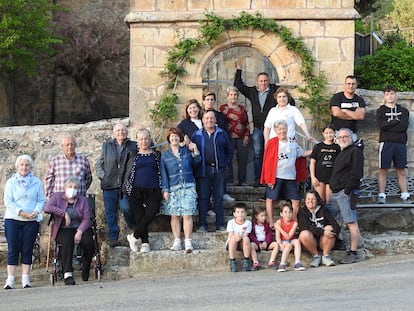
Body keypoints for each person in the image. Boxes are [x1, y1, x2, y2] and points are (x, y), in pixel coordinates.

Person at [234, 62, 295, 186]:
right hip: (257, 129)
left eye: (265, 81)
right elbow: (238, 85)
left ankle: (271, 178)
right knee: (258, 154)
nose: (263, 83)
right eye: (261, 81)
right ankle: (258, 179)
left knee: (272, 154)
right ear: (257, 82)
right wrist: (239, 70)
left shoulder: (274, 90)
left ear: (268, 81)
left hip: (273, 130)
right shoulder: (252, 92)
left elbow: (290, 101)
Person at [3, 155, 46, 289]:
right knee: (13, 249)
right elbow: (8, 201)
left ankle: (25, 279)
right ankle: (10, 280)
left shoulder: (37, 182)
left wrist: (36, 212)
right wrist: (21, 212)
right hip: (13, 219)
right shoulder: (11, 182)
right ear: (17, 167)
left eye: (27, 165)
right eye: (21, 165)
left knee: (27, 249)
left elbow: (41, 200)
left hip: (31, 220)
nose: (24, 167)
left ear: (31, 167)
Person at [44, 176, 95, 285]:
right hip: (63, 228)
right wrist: (64, 214)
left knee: (89, 242)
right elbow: (47, 208)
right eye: (70, 186)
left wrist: (80, 232)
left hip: (80, 227)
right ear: (65, 187)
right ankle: (68, 274)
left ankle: (86, 266)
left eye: (75, 187)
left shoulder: (82, 200)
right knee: (67, 242)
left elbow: (87, 218)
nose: (72, 189)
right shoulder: (57, 197)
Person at [260, 120, 311, 225]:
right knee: (270, 199)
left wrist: (319, 148)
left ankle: (293, 220)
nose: (282, 131)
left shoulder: (293, 143)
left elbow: (302, 153)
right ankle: (270, 221)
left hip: (290, 176)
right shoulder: (272, 142)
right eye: (279, 129)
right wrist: (269, 178)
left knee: (296, 201)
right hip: (276, 176)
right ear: (275, 130)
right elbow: (267, 162)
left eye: (284, 128)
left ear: (287, 129)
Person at [95, 123, 137, 247]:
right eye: (118, 130)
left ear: (127, 132)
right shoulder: (106, 146)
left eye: (123, 130)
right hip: (109, 186)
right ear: (114, 133)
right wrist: (104, 177)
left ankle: (135, 231)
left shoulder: (133, 145)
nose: (121, 132)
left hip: (125, 186)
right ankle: (114, 237)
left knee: (126, 208)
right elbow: (98, 164)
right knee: (110, 212)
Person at [160, 127, 201, 253]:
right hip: (173, 188)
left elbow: (197, 162)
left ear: (180, 138)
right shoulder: (165, 156)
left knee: (187, 214)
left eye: (176, 136)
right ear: (169, 139)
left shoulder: (186, 151)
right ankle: (177, 240)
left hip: (188, 186)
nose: (174, 138)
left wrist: (195, 149)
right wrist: (165, 190)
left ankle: (188, 241)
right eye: (172, 136)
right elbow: (163, 174)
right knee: (175, 216)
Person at [191, 110, 233, 232]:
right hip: (203, 170)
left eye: (211, 118)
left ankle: (220, 224)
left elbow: (229, 150)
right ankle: (202, 224)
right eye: (207, 118)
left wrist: (225, 164)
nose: (209, 120)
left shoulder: (221, 133)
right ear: (203, 120)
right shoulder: (197, 135)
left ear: (215, 120)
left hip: (219, 170)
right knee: (203, 198)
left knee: (218, 197)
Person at [122, 128, 162, 253]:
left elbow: (162, 171)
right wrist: (122, 187)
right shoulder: (132, 154)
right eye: (141, 139)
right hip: (136, 189)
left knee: (151, 213)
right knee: (139, 216)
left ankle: (133, 237)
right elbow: (125, 171)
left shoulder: (157, 155)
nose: (144, 141)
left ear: (150, 140)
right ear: (137, 141)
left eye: (146, 139)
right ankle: (145, 243)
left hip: (153, 189)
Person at [328, 128, 363, 264]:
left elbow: (356, 173)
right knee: (330, 217)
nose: (343, 139)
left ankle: (353, 253)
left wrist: (347, 191)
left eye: (346, 136)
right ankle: (340, 241)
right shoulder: (342, 152)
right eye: (340, 137)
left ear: (351, 138)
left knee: (351, 222)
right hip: (335, 193)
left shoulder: (355, 152)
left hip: (346, 193)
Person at [376, 86, 411, 204]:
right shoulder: (381, 110)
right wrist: (395, 122)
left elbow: (403, 127)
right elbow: (381, 126)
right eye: (387, 94)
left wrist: (389, 124)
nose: (390, 96)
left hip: (400, 143)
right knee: (383, 169)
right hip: (386, 143)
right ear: (384, 96)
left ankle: (405, 194)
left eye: (392, 93)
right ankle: (381, 194)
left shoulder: (404, 111)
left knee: (401, 170)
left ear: (396, 95)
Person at [203, 91, 234, 203]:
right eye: (207, 99)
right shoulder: (200, 114)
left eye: (212, 99)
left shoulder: (220, 116)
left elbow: (225, 131)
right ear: (203, 101)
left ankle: (223, 193)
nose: (210, 102)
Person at [298, 190, 340, 268]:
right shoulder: (302, 212)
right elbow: (305, 226)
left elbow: (335, 225)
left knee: (330, 228)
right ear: (305, 200)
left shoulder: (324, 210)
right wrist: (322, 231)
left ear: (317, 200)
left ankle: (326, 256)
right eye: (308, 199)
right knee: (304, 234)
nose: (310, 201)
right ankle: (316, 256)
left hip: (324, 241)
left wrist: (334, 233)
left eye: (313, 199)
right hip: (310, 241)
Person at [219, 86, 250, 186]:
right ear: (227, 96)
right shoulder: (223, 108)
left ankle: (242, 180)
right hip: (228, 137)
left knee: (242, 158)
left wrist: (246, 136)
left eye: (235, 95)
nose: (233, 97)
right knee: (229, 158)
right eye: (231, 95)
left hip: (241, 137)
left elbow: (247, 123)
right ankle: (229, 180)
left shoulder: (242, 109)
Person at [309, 124, 341, 203]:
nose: (329, 135)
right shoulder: (318, 147)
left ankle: (328, 215)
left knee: (329, 200)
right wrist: (313, 177)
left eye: (331, 133)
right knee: (320, 199)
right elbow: (312, 162)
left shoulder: (337, 147)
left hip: (332, 177)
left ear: (334, 133)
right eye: (326, 133)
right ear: (323, 134)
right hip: (319, 176)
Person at [330, 75, 366, 141]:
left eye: (353, 84)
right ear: (345, 85)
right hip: (338, 133)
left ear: (356, 85)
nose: (351, 86)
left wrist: (346, 111)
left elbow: (361, 116)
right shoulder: (337, 97)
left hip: (352, 133)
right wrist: (354, 115)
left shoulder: (359, 100)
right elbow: (336, 113)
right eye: (348, 84)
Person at [274, 202, 305, 272]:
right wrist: (280, 244)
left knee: (297, 241)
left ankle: (297, 262)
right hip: (283, 242)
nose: (288, 214)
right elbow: (278, 237)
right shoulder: (279, 222)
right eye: (285, 212)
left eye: (290, 212)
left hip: (291, 240)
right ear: (281, 214)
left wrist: (279, 228)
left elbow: (289, 237)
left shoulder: (295, 223)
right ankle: (282, 263)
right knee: (288, 245)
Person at [226, 203, 252, 272]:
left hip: (242, 243)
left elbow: (246, 234)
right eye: (238, 212)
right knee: (232, 239)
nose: (240, 214)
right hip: (232, 243)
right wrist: (236, 236)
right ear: (234, 214)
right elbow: (230, 235)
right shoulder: (231, 222)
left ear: (246, 213)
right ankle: (232, 261)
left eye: (242, 212)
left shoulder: (248, 223)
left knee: (246, 239)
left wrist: (239, 236)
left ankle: (246, 260)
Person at [248, 206, 276, 271]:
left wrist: (266, 242)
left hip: (266, 243)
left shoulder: (266, 225)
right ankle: (255, 262)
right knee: (251, 245)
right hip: (257, 244)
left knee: (276, 245)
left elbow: (269, 234)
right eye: (262, 216)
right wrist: (258, 243)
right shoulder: (252, 225)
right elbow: (251, 236)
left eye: (265, 216)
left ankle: (272, 261)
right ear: (256, 216)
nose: (264, 217)